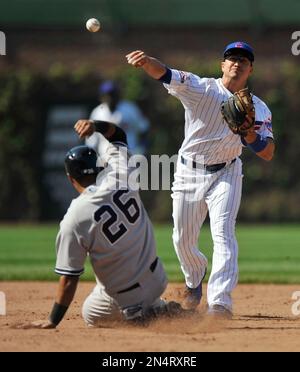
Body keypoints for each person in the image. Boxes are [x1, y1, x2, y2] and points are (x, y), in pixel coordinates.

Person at [126, 42, 275, 318]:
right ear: (222, 65)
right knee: (182, 238)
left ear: (250, 69)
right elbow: (166, 74)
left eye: (244, 59)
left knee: (223, 234)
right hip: (189, 171)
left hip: (227, 172)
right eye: (231, 58)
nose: (237, 62)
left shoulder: (259, 108)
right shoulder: (201, 88)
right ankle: (194, 280)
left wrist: (249, 135)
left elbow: (268, 152)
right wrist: (147, 61)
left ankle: (220, 303)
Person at [25, 120, 183, 329]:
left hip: (127, 298)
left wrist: (52, 320)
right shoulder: (120, 174)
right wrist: (94, 126)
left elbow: (69, 279)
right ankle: (157, 307)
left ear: (70, 178)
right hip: (158, 280)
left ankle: (139, 315)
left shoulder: (75, 216)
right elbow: (118, 136)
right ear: (99, 166)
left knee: (89, 312)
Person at [88, 80, 150, 155]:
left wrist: (141, 149)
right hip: (105, 158)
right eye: (107, 95)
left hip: (129, 155)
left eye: (113, 94)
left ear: (118, 95)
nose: (110, 98)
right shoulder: (97, 113)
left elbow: (144, 128)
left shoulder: (129, 109)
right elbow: (92, 140)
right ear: (102, 97)